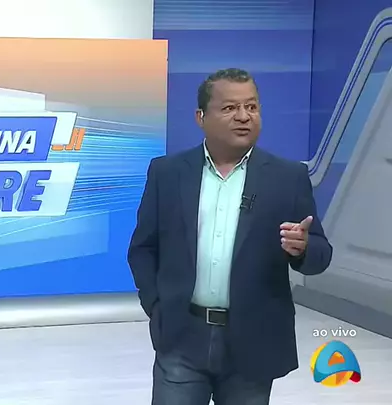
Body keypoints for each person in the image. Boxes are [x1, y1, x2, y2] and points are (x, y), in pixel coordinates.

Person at [128, 68, 333, 405]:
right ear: (201, 117)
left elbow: (320, 255)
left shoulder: (288, 177)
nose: (243, 116)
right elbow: (143, 248)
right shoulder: (167, 173)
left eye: (252, 107)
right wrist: (157, 306)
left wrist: (303, 248)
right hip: (182, 337)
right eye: (229, 108)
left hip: (253, 343)